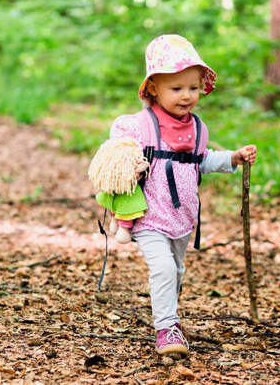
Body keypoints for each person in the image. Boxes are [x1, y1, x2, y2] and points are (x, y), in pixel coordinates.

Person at [106, 34, 257, 356]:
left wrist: (232, 158)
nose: (186, 96)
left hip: (183, 216)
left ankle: (169, 312)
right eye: (176, 89)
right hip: (148, 214)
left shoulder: (197, 127)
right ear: (153, 90)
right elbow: (116, 149)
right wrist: (129, 161)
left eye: (193, 87)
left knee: (175, 270)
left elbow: (201, 162)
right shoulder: (141, 125)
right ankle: (167, 328)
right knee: (161, 268)